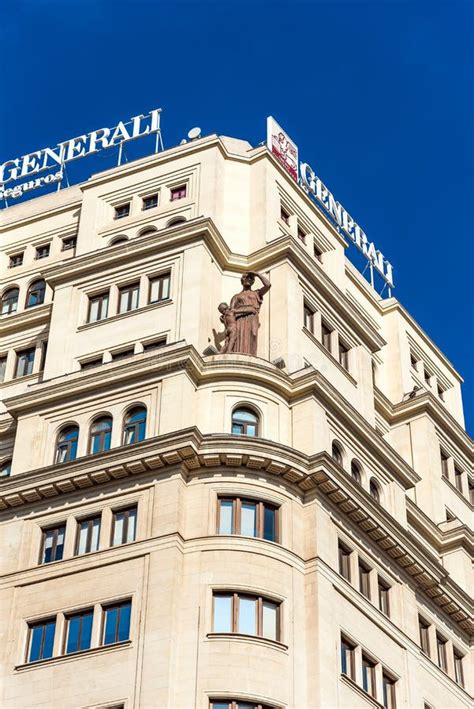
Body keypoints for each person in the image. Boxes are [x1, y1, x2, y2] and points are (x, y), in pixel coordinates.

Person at [226, 271, 271, 355]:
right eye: (245, 277)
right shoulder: (236, 296)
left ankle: (251, 355)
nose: (248, 279)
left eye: (250, 278)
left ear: (253, 281)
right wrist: (247, 310)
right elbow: (231, 311)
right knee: (240, 336)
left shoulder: (256, 293)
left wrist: (257, 274)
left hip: (252, 317)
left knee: (253, 335)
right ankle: (238, 353)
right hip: (240, 319)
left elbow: (268, 285)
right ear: (242, 280)